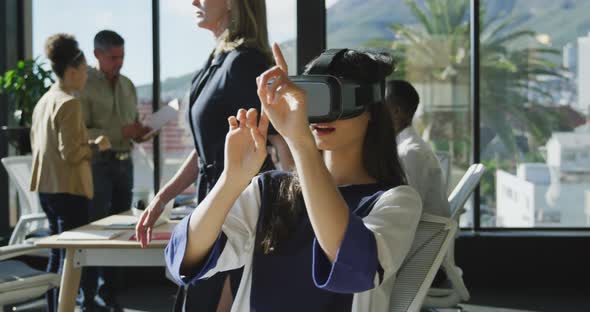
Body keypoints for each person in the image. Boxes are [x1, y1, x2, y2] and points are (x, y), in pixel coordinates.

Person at [162, 44, 423, 311]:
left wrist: (300, 142)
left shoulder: (396, 201)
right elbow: (184, 259)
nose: (321, 113)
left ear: (371, 109)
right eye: (310, 98)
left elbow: (353, 267)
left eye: (335, 98)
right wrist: (231, 180)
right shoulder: (271, 191)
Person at [135, 0, 291, 311]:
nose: (194, 1)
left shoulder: (245, 64)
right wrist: (162, 198)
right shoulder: (218, 62)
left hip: (240, 210)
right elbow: (206, 148)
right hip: (215, 202)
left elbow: (272, 140)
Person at [29, 33, 111, 312]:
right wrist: (97, 146)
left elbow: (48, 147)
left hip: (47, 188)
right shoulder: (69, 103)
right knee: (73, 256)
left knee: (57, 252)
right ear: (72, 70)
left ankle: (55, 307)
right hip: (69, 188)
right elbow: (71, 153)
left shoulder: (44, 102)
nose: (87, 77)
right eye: (85, 71)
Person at [78, 30, 150, 311]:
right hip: (98, 164)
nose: (119, 62)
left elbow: (132, 125)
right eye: (113, 57)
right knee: (97, 229)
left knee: (121, 230)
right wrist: (120, 130)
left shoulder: (129, 85)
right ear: (97, 54)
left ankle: (110, 295)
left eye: (122, 56)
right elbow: (80, 130)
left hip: (124, 162)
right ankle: (88, 297)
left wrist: (142, 132)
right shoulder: (84, 85)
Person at [386, 80, 450, 217]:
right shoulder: (405, 147)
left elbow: (409, 209)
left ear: (396, 112)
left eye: (381, 108)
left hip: (422, 236)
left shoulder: (411, 152)